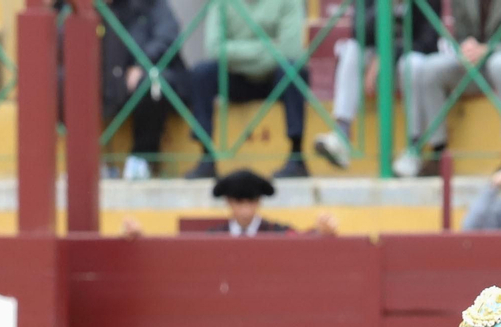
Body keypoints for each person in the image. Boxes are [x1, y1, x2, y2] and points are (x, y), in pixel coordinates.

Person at [395, 0, 501, 177]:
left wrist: (488, 49)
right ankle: (438, 152)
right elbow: (461, 34)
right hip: (480, 65)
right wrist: (467, 46)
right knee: (430, 70)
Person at [184, 0, 310, 180]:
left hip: (274, 80)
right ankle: (206, 157)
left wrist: (232, 51)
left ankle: (297, 156)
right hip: (235, 79)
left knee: (294, 69)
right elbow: (213, 49)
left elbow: (291, 50)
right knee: (201, 73)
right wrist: (270, 47)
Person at [312, 0, 439, 170]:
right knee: (352, 49)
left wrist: (386, 55)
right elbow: (359, 32)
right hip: (375, 66)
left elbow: (428, 42)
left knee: (412, 65)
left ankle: (413, 149)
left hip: (406, 61)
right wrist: (387, 6)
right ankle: (341, 136)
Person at [93, 0, 188, 180]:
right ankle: (95, 160)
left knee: (152, 85)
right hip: (111, 80)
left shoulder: (151, 5)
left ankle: (142, 158)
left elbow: (167, 37)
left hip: (150, 76)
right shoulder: (92, 10)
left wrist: (142, 64)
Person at [208, 166, 338, 234]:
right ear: (228, 202)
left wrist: (321, 231)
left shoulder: (277, 233)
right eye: (239, 202)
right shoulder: (215, 236)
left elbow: (302, 240)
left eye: (251, 201)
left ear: (259, 201)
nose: (245, 210)